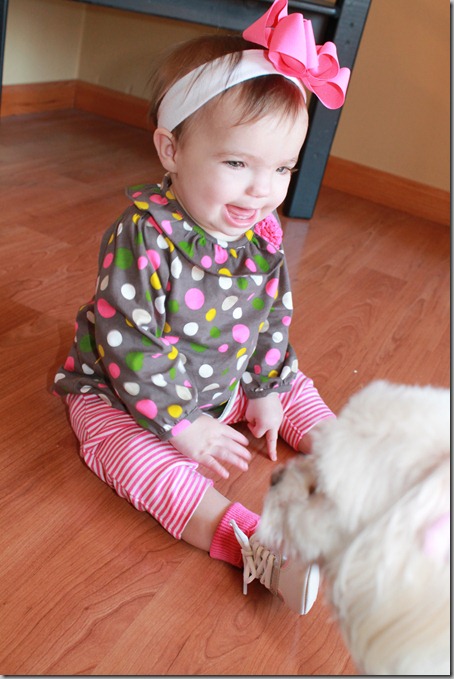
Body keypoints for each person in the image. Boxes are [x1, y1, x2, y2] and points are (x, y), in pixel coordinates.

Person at [53, 0, 350, 614]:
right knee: (140, 461)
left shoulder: (260, 233)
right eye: (237, 163)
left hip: (224, 377)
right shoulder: (144, 236)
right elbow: (128, 342)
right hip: (126, 394)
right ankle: (257, 548)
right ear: (171, 150)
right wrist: (182, 425)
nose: (261, 189)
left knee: (294, 386)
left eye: (282, 168)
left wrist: (265, 388)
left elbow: (272, 317)